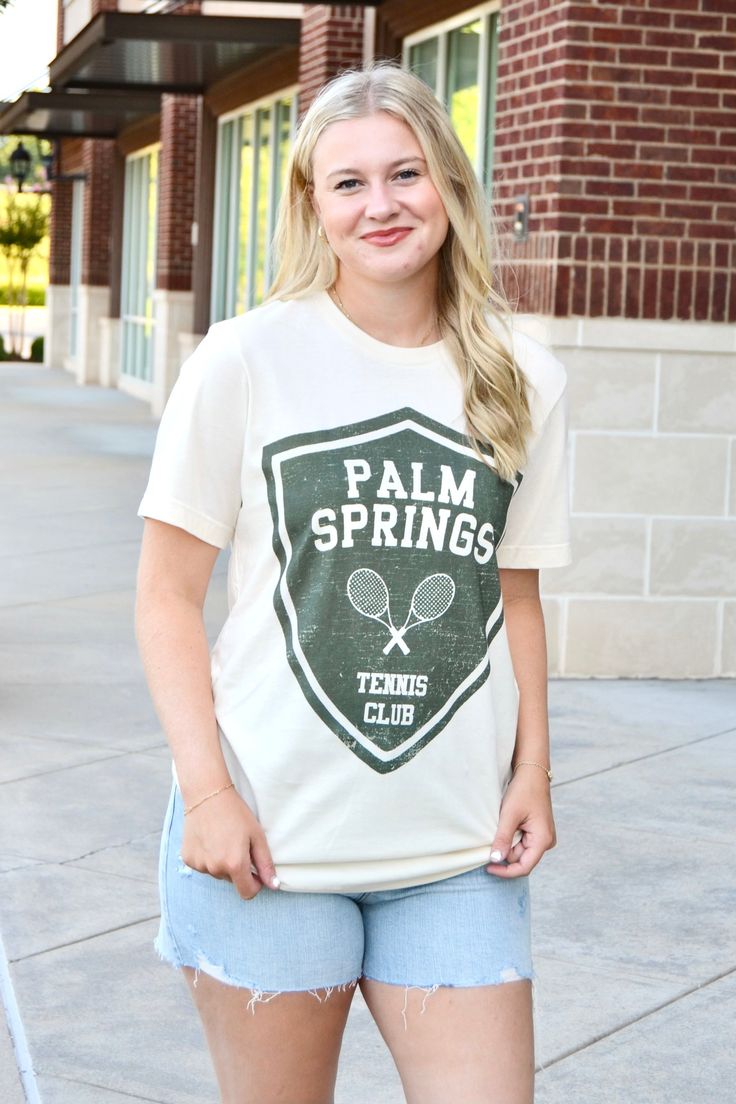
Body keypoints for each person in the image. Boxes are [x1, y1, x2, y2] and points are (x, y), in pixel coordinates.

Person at [135, 61, 571, 1104]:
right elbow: (163, 596)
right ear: (312, 207)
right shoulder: (244, 361)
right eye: (348, 183)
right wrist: (207, 794)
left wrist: (534, 773)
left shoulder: (523, 374)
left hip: (455, 843)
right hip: (269, 844)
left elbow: (511, 593)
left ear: (449, 189)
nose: (381, 205)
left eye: (406, 174)